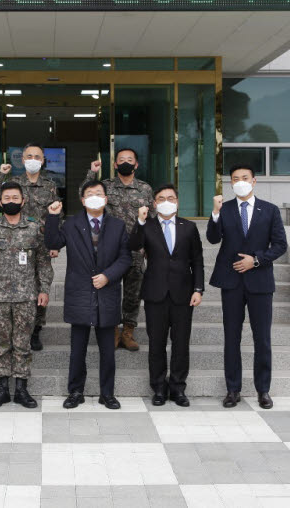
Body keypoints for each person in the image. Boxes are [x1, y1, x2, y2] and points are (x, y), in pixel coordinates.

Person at [206, 165, 287, 410]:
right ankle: (233, 389)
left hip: (260, 282)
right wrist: (215, 213)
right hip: (231, 282)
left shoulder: (270, 210)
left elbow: (280, 244)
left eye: (244, 178)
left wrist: (257, 260)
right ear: (230, 183)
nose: (240, 182)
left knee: (262, 338)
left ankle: (263, 390)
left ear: (254, 181)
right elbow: (212, 238)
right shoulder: (226, 209)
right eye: (235, 179)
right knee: (232, 337)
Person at [45, 180, 132, 409]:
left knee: (107, 351)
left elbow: (125, 258)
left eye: (99, 193)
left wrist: (108, 276)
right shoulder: (71, 223)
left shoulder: (117, 225)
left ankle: (107, 394)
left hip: (107, 293)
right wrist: (53, 217)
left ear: (106, 198)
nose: (95, 197)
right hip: (80, 294)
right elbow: (53, 242)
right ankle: (75, 392)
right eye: (90, 194)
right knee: (77, 350)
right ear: (83, 200)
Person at [0, 182, 52, 409]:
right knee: (2, 343)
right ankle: (2, 389)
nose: (11, 201)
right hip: (0, 297)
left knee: (23, 344)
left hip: (26, 296)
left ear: (23, 201)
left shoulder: (35, 228)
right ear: (0, 202)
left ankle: (22, 389)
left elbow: (43, 262)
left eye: (16, 198)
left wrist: (44, 289)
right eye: (7, 198)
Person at [128, 184, 204, 407]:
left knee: (181, 343)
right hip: (155, 294)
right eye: (161, 198)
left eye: (170, 198)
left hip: (183, 293)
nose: (166, 201)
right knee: (157, 344)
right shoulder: (147, 226)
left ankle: (178, 388)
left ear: (177, 202)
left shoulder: (189, 227)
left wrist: (198, 289)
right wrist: (140, 221)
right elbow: (133, 245)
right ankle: (159, 388)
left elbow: (197, 260)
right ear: (154, 203)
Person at [0, 143, 61, 351]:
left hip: (41, 241)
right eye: (29, 156)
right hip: (15, 240)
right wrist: (1, 175)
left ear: (43, 160)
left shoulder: (50, 185)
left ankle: (35, 329)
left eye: (37, 156)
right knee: (23, 285)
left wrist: (55, 243)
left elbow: (56, 214)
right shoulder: (13, 183)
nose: (33, 159)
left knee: (39, 284)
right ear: (23, 159)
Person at [84, 149, 154, 352]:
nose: (125, 163)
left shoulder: (145, 189)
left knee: (133, 292)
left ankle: (128, 332)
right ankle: (113, 330)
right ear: (115, 165)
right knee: (109, 292)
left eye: (129, 160)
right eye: (121, 160)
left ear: (136, 164)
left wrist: (149, 247)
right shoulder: (104, 186)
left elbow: (152, 220)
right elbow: (86, 194)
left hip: (136, 249)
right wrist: (92, 173)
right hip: (109, 250)